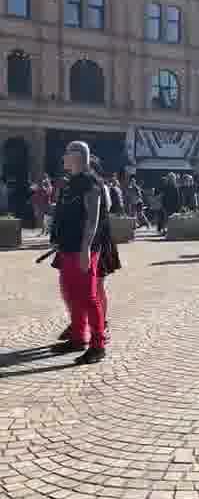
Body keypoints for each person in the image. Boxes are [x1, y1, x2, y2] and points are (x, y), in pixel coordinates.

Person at [51, 141, 107, 364]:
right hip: (67, 248)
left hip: (84, 249)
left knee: (88, 296)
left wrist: (85, 248)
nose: (63, 157)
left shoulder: (90, 183)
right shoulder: (69, 183)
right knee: (71, 293)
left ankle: (98, 344)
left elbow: (92, 219)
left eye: (67, 153)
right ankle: (77, 337)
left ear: (77, 156)